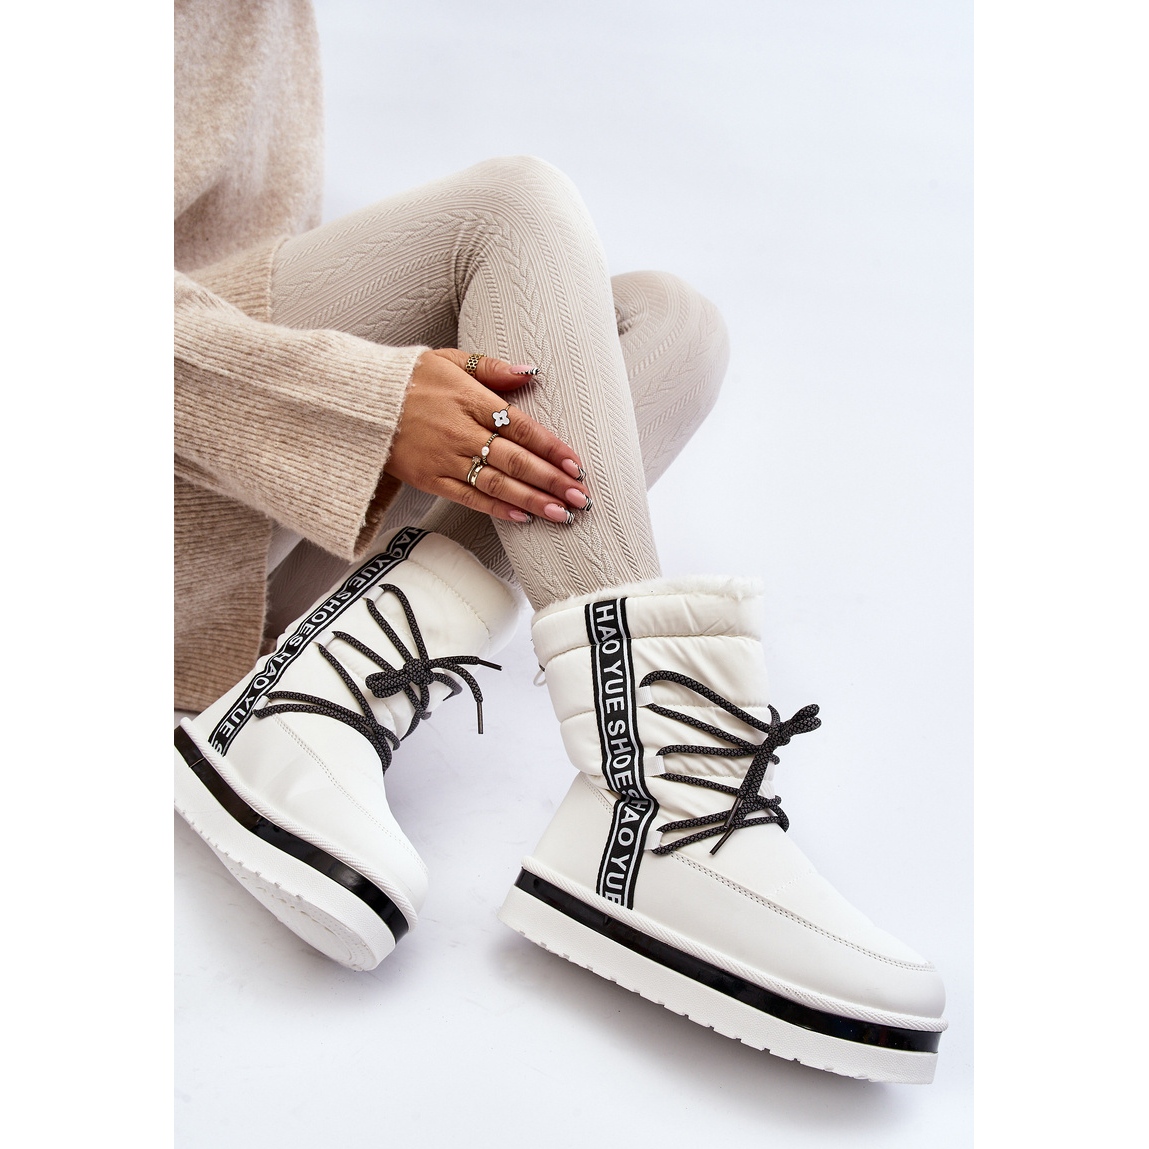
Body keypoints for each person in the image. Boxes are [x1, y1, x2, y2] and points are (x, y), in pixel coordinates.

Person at [175, 0, 947, 1084]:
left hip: (237, 487)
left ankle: (319, 689)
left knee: (670, 327)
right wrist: (354, 404)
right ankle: (662, 804)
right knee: (512, 209)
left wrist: (356, 414)